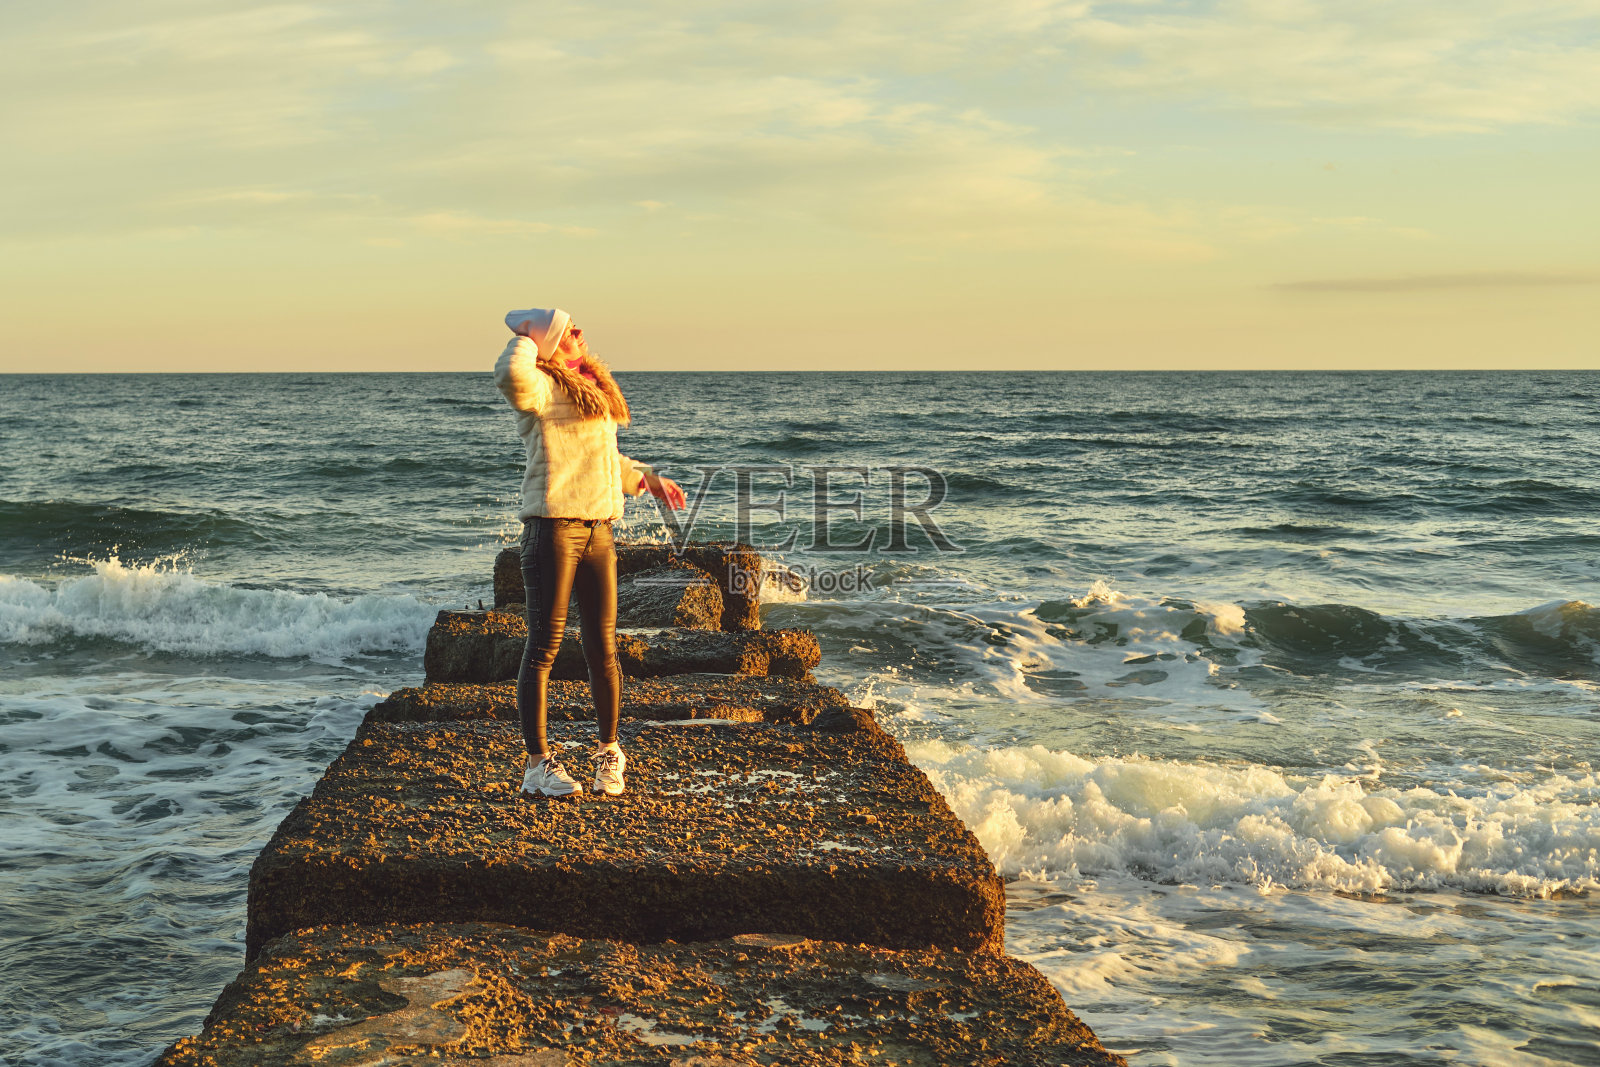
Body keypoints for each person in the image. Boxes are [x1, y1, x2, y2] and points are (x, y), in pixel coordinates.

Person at [493, 307, 686, 800]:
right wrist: (527, 335)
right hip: (552, 529)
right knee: (543, 649)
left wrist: (649, 479)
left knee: (604, 650)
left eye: (575, 326)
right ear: (547, 343)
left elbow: (605, 460)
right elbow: (510, 376)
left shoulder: (591, 389)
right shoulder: (540, 385)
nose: (579, 332)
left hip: (600, 529)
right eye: (566, 330)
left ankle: (608, 755)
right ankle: (537, 766)